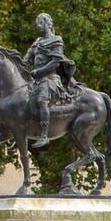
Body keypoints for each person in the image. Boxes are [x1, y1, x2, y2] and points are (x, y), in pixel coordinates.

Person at [24, 13, 78, 144]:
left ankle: (44, 135)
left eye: (41, 23)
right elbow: (26, 60)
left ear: (48, 23)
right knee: (20, 99)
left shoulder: (56, 40)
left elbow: (55, 63)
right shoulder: (37, 42)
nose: (38, 26)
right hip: (35, 79)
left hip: (50, 78)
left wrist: (38, 71)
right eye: (37, 23)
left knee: (42, 100)